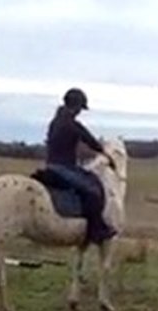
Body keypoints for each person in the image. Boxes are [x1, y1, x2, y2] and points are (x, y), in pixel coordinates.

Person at [42, 87, 118, 244]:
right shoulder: (72, 124)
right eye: (80, 109)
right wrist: (106, 154)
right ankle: (96, 230)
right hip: (63, 168)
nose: (80, 112)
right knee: (93, 191)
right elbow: (90, 140)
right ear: (75, 106)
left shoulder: (55, 122)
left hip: (49, 165)